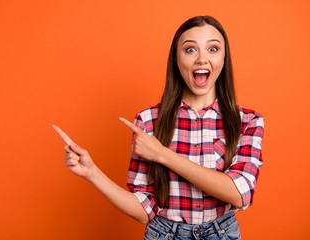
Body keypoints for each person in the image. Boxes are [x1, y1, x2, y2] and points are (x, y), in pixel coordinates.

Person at [54, 15, 264, 240]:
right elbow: (144, 209)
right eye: (190, 50)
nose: (202, 59)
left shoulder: (247, 121)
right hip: (164, 234)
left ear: (224, 58)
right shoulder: (148, 121)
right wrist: (92, 173)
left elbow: (239, 193)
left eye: (213, 49)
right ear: (176, 58)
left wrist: (162, 154)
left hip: (222, 234)